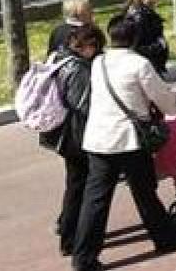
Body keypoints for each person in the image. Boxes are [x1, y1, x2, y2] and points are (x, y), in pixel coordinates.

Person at [71, 16, 176, 271]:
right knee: (144, 192)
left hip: (99, 139)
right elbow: (165, 102)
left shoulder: (99, 62)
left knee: (95, 200)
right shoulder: (139, 64)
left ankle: (83, 257)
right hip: (129, 140)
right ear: (135, 38)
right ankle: (165, 238)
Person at [40, 23, 104, 257]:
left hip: (66, 135)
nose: (97, 53)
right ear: (87, 45)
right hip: (77, 136)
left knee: (75, 185)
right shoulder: (77, 69)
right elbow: (83, 105)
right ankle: (70, 237)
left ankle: (70, 233)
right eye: (96, 48)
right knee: (79, 187)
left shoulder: (60, 58)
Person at [125, 0, 169, 76]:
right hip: (146, 68)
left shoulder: (146, 14)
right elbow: (135, 48)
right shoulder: (139, 17)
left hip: (151, 66)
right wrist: (159, 46)